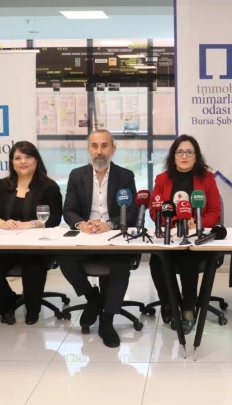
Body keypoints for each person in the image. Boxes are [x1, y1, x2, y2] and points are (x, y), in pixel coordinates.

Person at [58, 129, 137, 348]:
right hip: (86, 236)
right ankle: (92, 297)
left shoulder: (125, 176)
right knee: (63, 257)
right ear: (88, 149)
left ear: (113, 149)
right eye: (94, 146)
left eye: (104, 146)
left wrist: (109, 224)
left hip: (113, 237)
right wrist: (82, 224)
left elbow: (131, 211)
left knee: (121, 264)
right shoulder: (77, 175)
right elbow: (69, 210)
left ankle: (107, 321)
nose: (99, 151)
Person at [0, 141, 62, 326]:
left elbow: (54, 218)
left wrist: (28, 224)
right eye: (17, 158)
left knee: (33, 267)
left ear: (36, 160)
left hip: (37, 246)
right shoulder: (3, 186)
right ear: (12, 162)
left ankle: (33, 310)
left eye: (27, 157)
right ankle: (7, 303)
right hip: (6, 245)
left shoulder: (49, 187)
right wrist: (2, 223)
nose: (22, 162)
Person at [149, 134, 221, 334]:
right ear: (173, 156)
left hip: (195, 238)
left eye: (189, 152)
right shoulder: (162, 179)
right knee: (157, 261)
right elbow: (154, 211)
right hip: (170, 236)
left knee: (189, 259)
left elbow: (215, 212)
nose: (184, 156)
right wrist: (177, 221)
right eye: (180, 152)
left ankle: (188, 310)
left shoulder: (207, 179)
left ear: (196, 157)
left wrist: (195, 223)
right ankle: (169, 304)